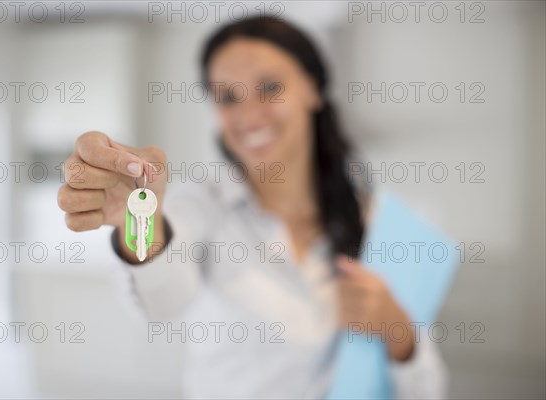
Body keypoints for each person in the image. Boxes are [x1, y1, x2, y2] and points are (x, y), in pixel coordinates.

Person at [58, 17, 447, 399]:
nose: (248, 115)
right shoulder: (201, 207)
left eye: (270, 87)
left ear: (312, 89)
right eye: (228, 97)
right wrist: (138, 220)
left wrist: (399, 331)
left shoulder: (382, 224)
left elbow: (428, 391)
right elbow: (162, 300)